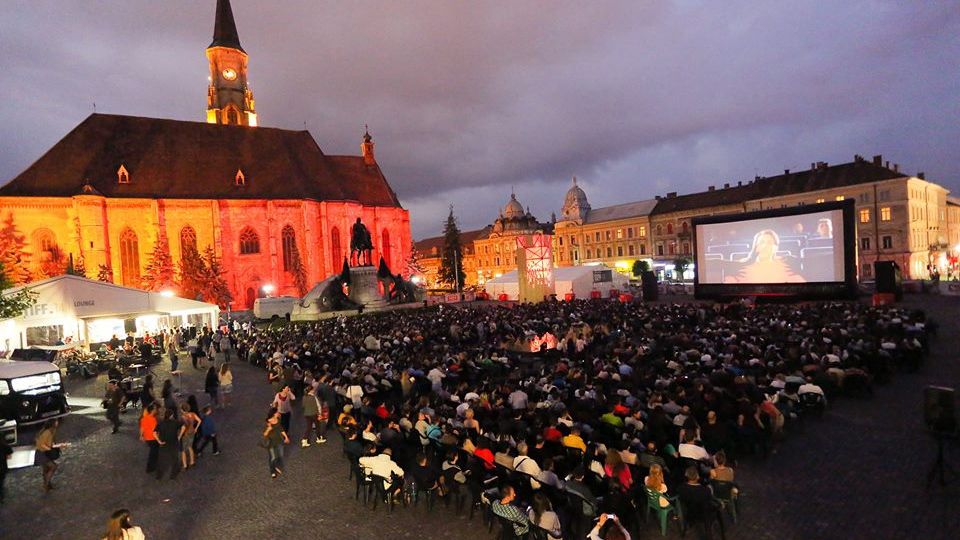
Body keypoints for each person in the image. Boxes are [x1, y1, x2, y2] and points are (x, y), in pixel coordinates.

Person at [725, 229, 804, 284]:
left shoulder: (784, 264)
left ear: (776, 247)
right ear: (756, 246)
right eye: (762, 242)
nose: (765, 245)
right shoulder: (743, 263)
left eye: (769, 242)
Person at [154, 408, 182, 480]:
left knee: (161, 460)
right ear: (171, 416)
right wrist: (179, 436)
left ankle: (159, 475)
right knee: (175, 459)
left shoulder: (160, 423)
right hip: (173, 442)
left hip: (163, 443)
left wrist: (159, 441)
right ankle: (173, 475)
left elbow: (154, 433)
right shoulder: (175, 422)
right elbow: (184, 426)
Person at [263, 408, 290, 478]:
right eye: (277, 412)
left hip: (279, 440)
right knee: (273, 457)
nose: (278, 413)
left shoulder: (278, 419)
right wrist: (268, 429)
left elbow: (280, 428)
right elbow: (265, 434)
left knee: (280, 454)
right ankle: (272, 470)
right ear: (274, 414)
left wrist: (286, 437)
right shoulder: (268, 422)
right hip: (271, 442)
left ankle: (276, 465)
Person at [179, 403, 200, 470]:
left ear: (182, 410)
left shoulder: (183, 417)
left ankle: (185, 465)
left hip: (185, 434)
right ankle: (192, 461)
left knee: (183, 450)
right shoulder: (193, 414)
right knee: (190, 447)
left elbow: (183, 427)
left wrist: (179, 436)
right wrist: (196, 428)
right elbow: (199, 421)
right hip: (192, 432)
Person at [140, 403, 160, 474]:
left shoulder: (144, 418)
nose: (156, 410)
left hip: (147, 438)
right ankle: (151, 467)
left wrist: (141, 436)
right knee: (153, 453)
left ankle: (152, 466)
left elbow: (142, 428)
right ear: (152, 411)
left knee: (153, 452)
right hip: (153, 439)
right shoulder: (153, 419)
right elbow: (155, 431)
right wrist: (159, 439)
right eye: (155, 409)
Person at [1, 436, 12, 504]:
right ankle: (1, 498)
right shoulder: (5, 445)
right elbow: (9, 456)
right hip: (2, 467)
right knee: (1, 483)